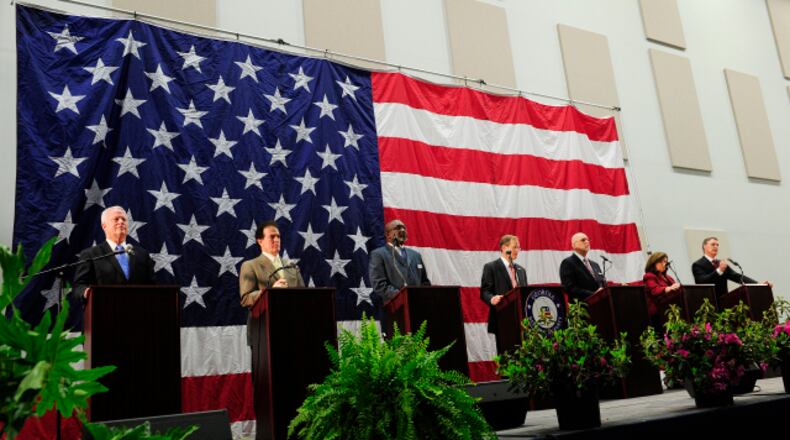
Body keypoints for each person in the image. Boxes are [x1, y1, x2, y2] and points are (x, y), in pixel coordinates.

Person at [239, 220, 304, 383]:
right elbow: (246, 298)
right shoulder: (250, 265)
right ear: (260, 241)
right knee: (269, 382)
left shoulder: (291, 267)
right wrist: (269, 292)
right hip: (264, 332)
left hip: (293, 332)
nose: (277, 240)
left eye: (279, 237)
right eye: (272, 237)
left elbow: (304, 295)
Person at [73, 206, 155, 301]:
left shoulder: (142, 254)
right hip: (104, 309)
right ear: (104, 226)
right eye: (116, 219)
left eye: (124, 219)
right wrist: (86, 292)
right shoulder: (91, 254)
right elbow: (78, 287)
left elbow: (152, 286)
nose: (121, 222)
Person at [369, 219, 431, 304]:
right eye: (398, 228)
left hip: (420, 304)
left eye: (404, 228)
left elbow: (424, 281)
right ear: (388, 234)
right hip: (397, 307)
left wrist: (423, 295)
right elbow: (379, 284)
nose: (402, 230)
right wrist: (401, 296)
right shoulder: (378, 254)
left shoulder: (415, 255)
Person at [691, 237, 770, 297]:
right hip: (708, 304)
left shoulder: (721, 263)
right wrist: (719, 271)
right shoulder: (698, 265)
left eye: (717, 245)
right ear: (704, 246)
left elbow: (737, 277)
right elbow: (702, 282)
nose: (716, 247)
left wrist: (758, 284)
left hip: (724, 302)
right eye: (713, 244)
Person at [480, 235, 527, 335]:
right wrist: (492, 299)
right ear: (504, 248)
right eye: (514, 247)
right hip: (502, 318)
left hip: (521, 321)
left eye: (518, 247)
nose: (517, 250)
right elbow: (485, 292)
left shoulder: (521, 270)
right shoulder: (491, 267)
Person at [559, 232, 604, 301]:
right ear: (574, 245)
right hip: (581, 306)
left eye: (588, 240)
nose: (587, 242)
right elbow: (570, 288)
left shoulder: (595, 265)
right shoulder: (568, 263)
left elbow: (602, 284)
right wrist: (594, 295)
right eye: (583, 240)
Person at [643, 252, 680, 320]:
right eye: (664, 261)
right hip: (658, 312)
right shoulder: (649, 276)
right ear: (655, 263)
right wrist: (668, 288)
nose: (666, 264)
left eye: (666, 262)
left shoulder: (667, 277)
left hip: (671, 310)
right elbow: (655, 290)